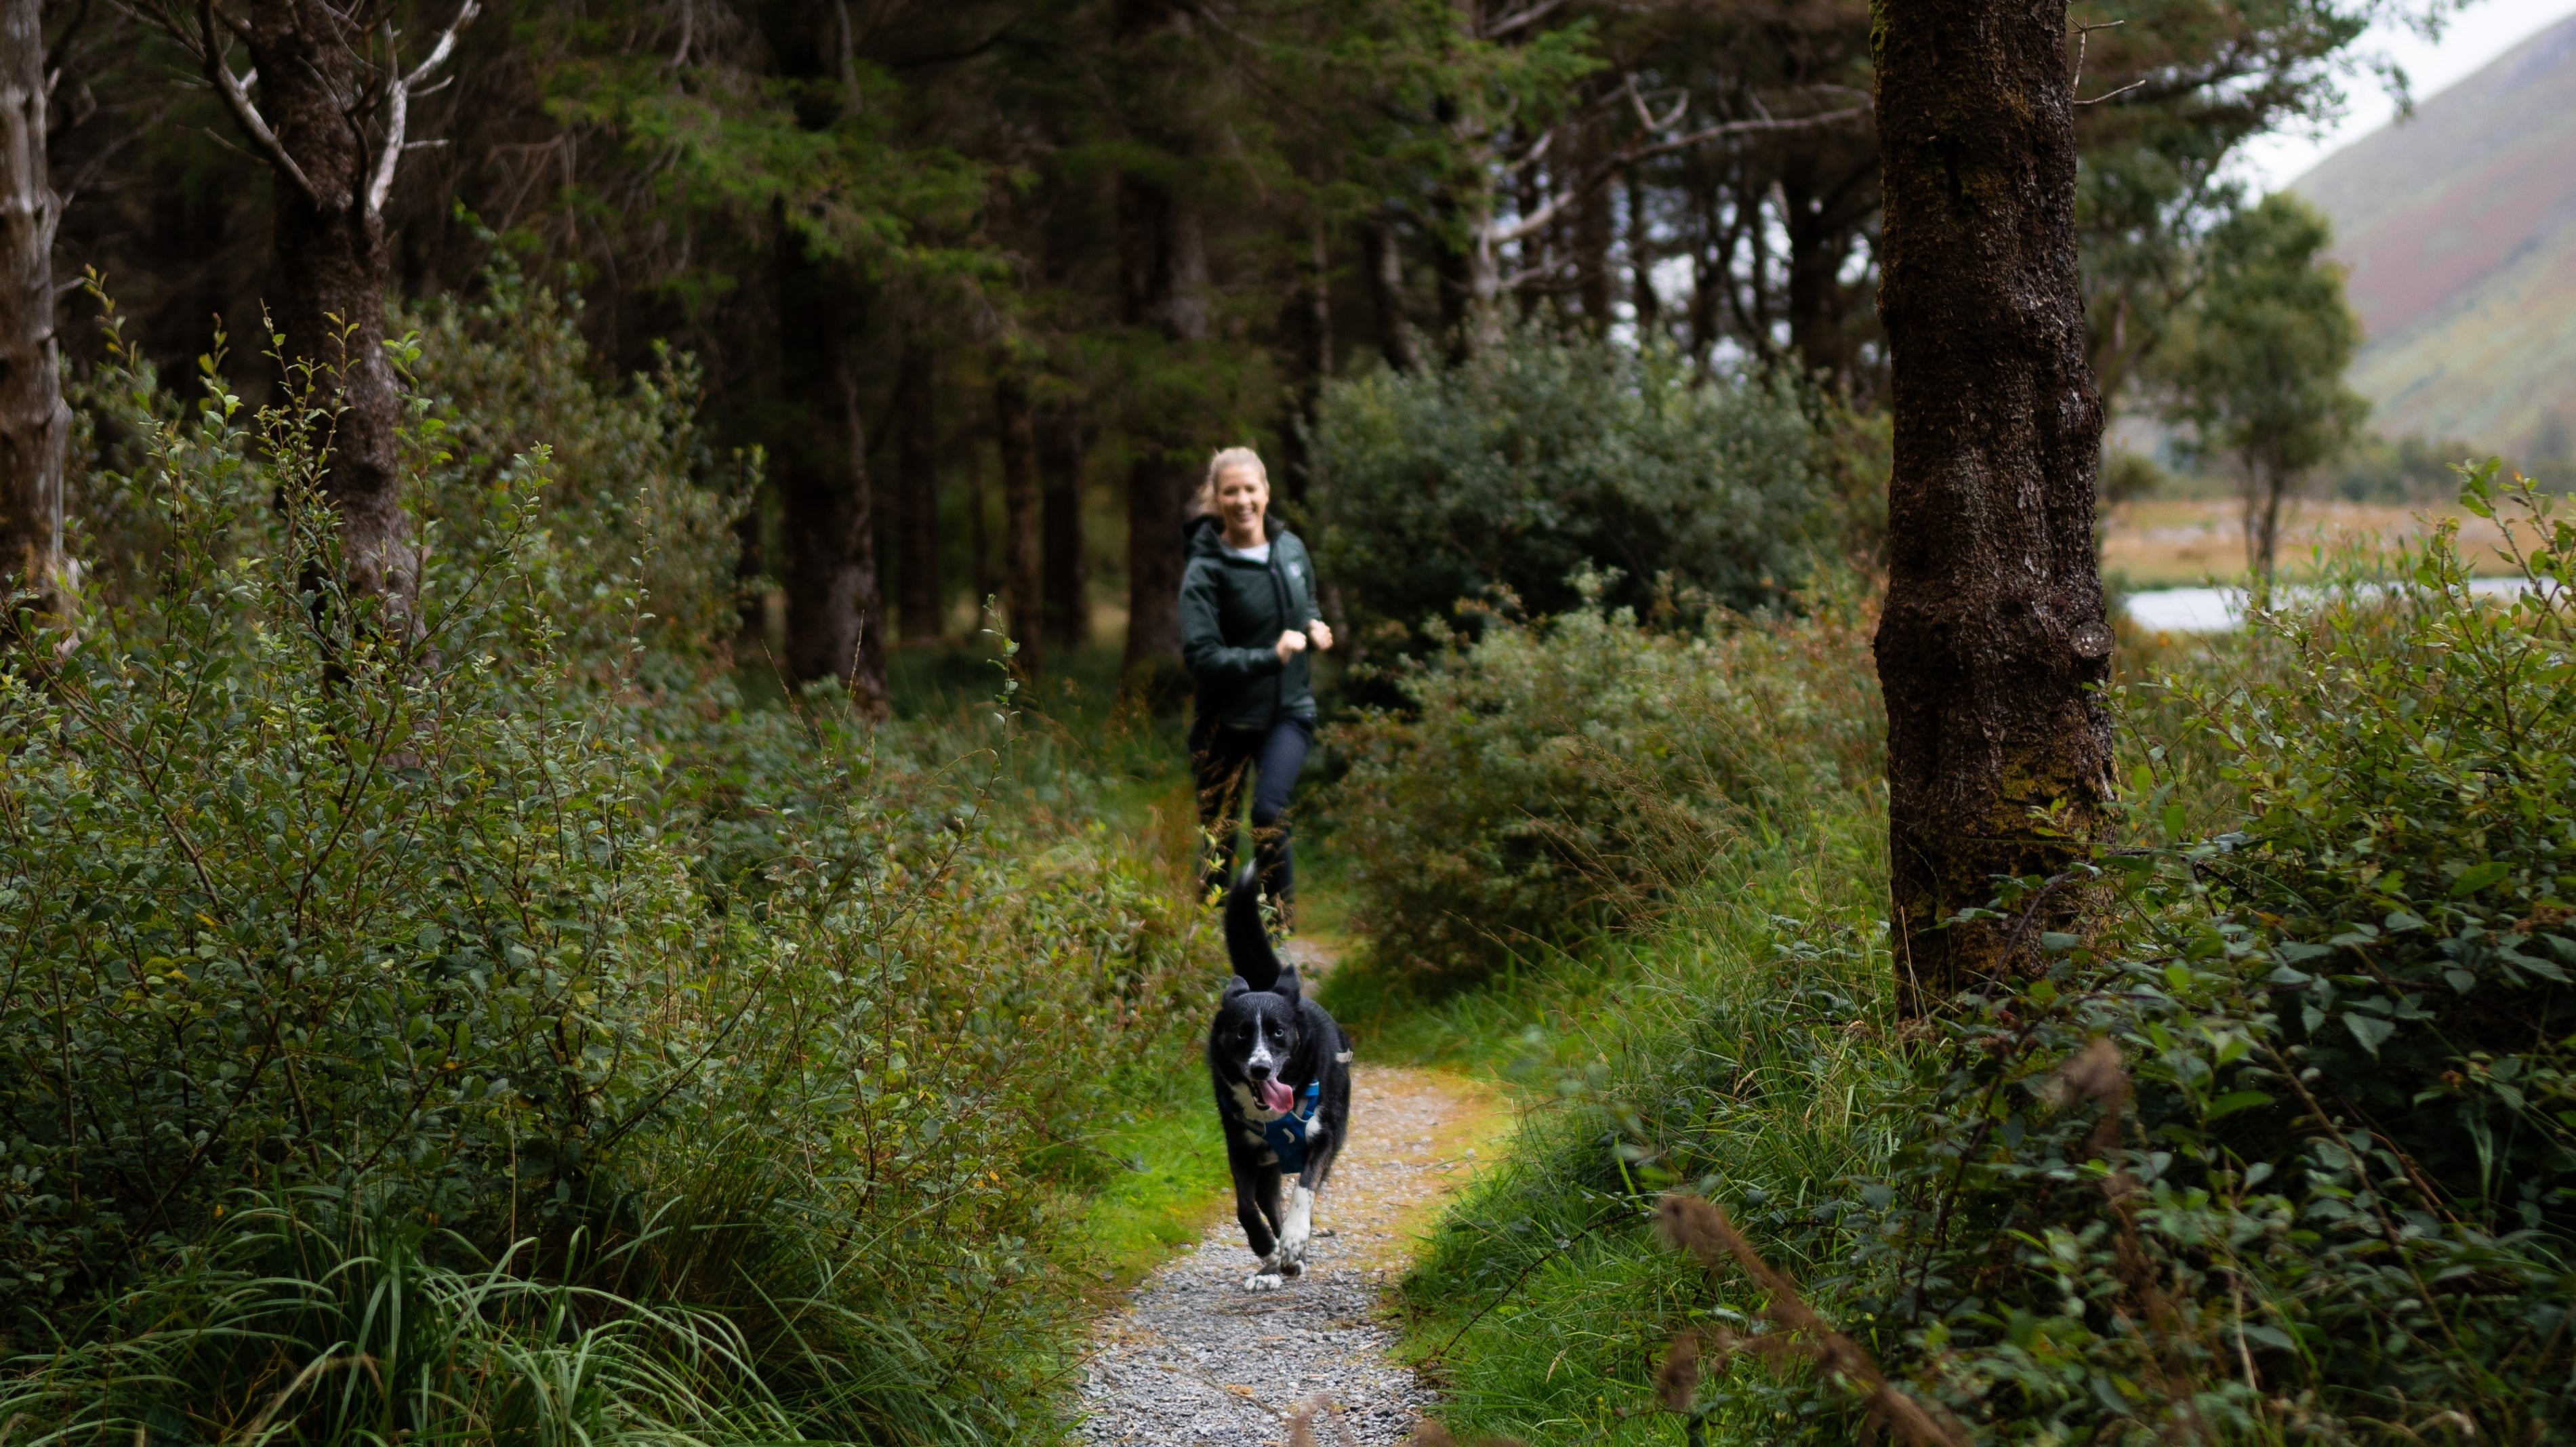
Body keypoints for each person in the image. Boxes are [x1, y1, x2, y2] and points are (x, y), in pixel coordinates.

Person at [1180, 446, 1332, 916]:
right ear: (1216, 498)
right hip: (1224, 720)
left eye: (1251, 488)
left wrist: (1314, 624)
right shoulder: (1205, 570)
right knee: (1218, 835)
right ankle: (1206, 945)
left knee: (1268, 812)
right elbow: (1202, 656)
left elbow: (1305, 599)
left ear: (1266, 492)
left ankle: (1279, 932)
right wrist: (1271, 656)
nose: (1242, 499)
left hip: (1289, 711)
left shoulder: (1290, 548)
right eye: (1231, 491)